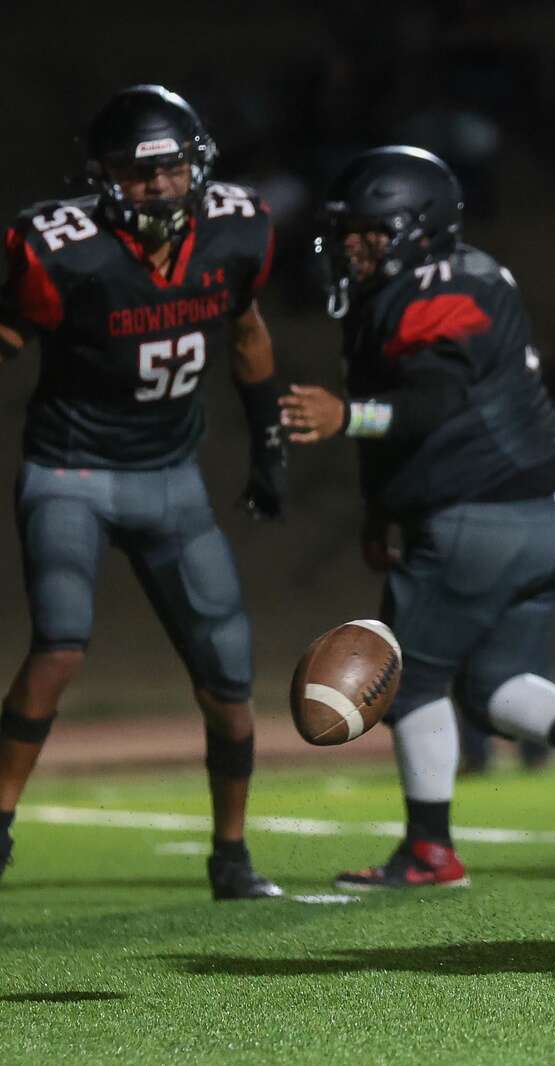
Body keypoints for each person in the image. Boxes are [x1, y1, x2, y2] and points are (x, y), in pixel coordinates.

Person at [277, 146, 555, 890]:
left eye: (371, 231)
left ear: (419, 228)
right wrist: (381, 508)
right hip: (550, 511)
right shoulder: (457, 274)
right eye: (347, 230)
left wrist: (346, 414)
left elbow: (432, 404)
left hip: (480, 514)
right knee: (494, 684)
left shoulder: (434, 295)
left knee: (409, 682)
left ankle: (429, 850)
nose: (353, 246)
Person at [0, 85, 285, 900]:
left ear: (197, 168)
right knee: (58, 649)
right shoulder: (63, 249)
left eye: (170, 169)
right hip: (71, 472)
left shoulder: (235, 232)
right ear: (103, 178)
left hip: (170, 477)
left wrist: (267, 445)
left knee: (229, 678)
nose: (157, 186)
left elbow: (249, 329)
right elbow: (9, 334)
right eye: (136, 172)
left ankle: (232, 857)